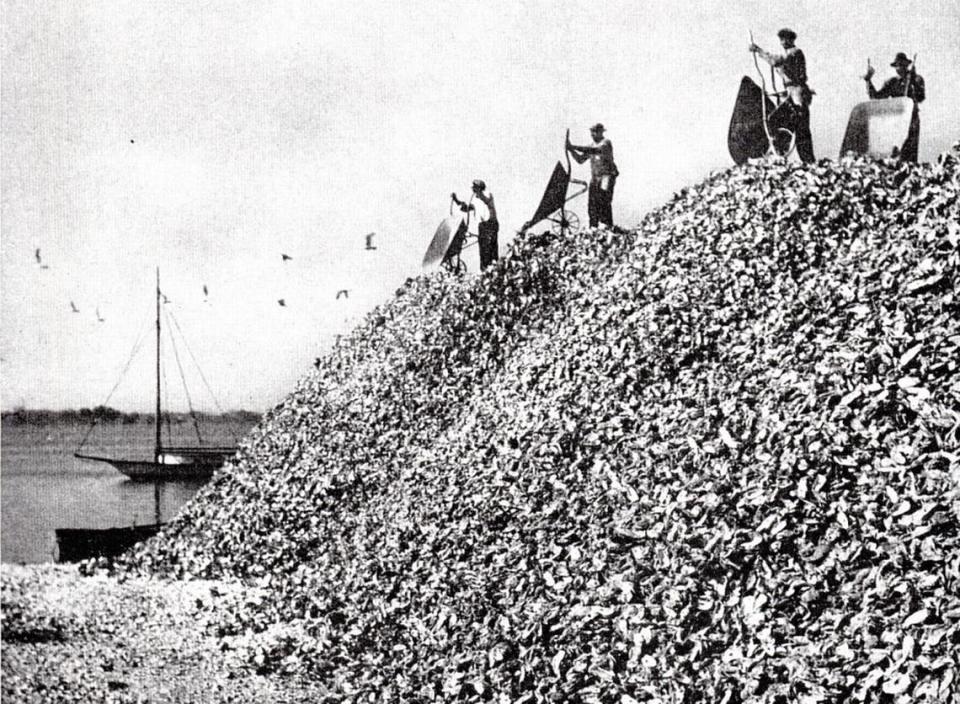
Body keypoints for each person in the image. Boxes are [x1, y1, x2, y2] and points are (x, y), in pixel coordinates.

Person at [749, 28, 816, 163]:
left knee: (800, 128)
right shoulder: (789, 54)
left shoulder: (794, 53)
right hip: (791, 92)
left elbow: (776, 61)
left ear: (792, 40)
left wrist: (759, 50)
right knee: (780, 121)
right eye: (781, 39)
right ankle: (780, 153)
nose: (783, 42)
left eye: (786, 39)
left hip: (798, 92)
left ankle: (807, 160)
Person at [864, 52, 926, 162]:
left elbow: (921, 97)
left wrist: (913, 82)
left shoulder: (917, 79)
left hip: (912, 120)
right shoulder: (892, 82)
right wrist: (868, 81)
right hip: (896, 121)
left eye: (902, 65)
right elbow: (877, 97)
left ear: (907, 65)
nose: (900, 67)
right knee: (895, 153)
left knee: (909, 154)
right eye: (897, 65)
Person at [567, 123, 619, 229]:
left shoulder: (605, 143)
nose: (592, 134)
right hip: (595, 178)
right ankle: (593, 227)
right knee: (592, 203)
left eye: (595, 132)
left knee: (604, 200)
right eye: (591, 132)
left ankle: (607, 225)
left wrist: (573, 146)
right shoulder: (590, 146)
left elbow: (595, 151)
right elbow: (580, 160)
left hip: (607, 176)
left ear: (601, 132)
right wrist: (571, 150)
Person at [451, 179, 499, 270]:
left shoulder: (487, 194)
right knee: (484, 252)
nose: (473, 190)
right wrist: (456, 200)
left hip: (490, 225)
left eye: (475, 187)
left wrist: (478, 193)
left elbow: (487, 200)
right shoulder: (476, 199)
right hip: (483, 226)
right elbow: (466, 208)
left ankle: (493, 269)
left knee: (490, 250)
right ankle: (486, 270)